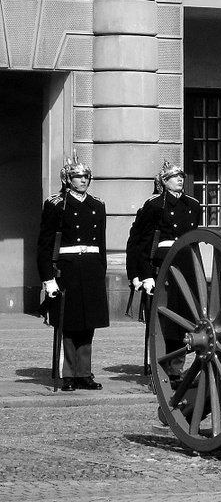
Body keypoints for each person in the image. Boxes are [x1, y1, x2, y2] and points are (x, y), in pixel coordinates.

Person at [37, 154, 109, 391]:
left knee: (89, 325)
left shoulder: (97, 205)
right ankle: (67, 374)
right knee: (69, 324)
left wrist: (101, 269)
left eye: (86, 176)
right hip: (68, 268)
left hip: (90, 268)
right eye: (78, 176)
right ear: (68, 179)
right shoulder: (57, 204)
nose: (83, 180)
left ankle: (84, 373)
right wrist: (48, 278)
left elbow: (102, 243)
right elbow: (45, 244)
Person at [126, 160, 202, 380]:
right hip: (163, 264)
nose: (180, 180)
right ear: (164, 181)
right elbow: (140, 242)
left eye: (181, 176)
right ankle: (159, 367)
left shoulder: (193, 205)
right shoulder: (154, 205)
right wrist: (143, 275)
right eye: (174, 177)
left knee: (184, 318)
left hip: (186, 264)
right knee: (163, 320)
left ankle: (177, 368)